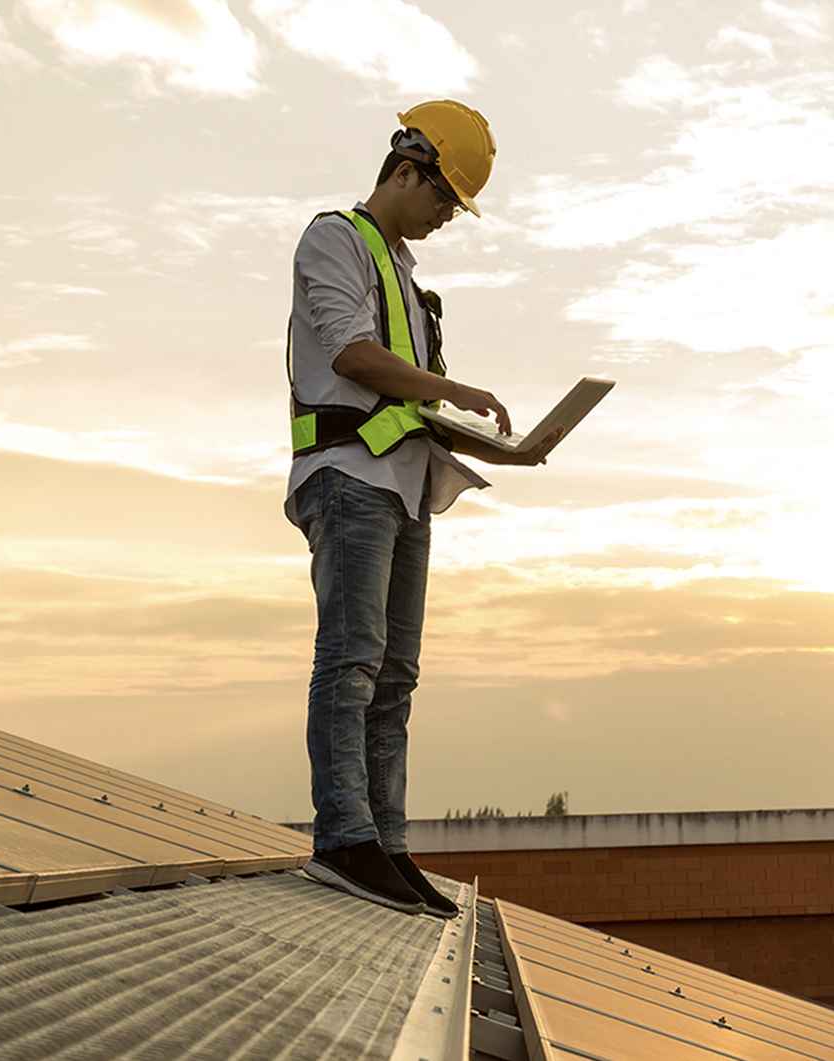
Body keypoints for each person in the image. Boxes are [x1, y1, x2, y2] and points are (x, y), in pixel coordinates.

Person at [285, 101, 559, 917]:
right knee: (352, 657)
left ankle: (386, 844)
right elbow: (349, 354)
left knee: (393, 676)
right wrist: (455, 387)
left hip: (404, 486)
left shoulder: (409, 279)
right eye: (444, 199)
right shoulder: (334, 237)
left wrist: (505, 446)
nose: (446, 217)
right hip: (348, 475)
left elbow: (418, 411)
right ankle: (343, 838)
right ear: (406, 170)